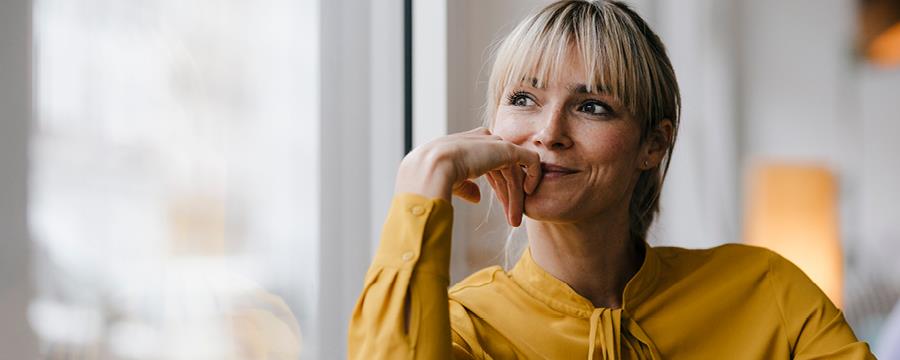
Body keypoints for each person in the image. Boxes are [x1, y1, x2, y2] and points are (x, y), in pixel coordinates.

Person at [348, 1, 875, 358]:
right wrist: (422, 186)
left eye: (592, 106)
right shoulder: (462, 328)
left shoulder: (766, 292)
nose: (548, 133)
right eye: (524, 99)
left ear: (654, 144)